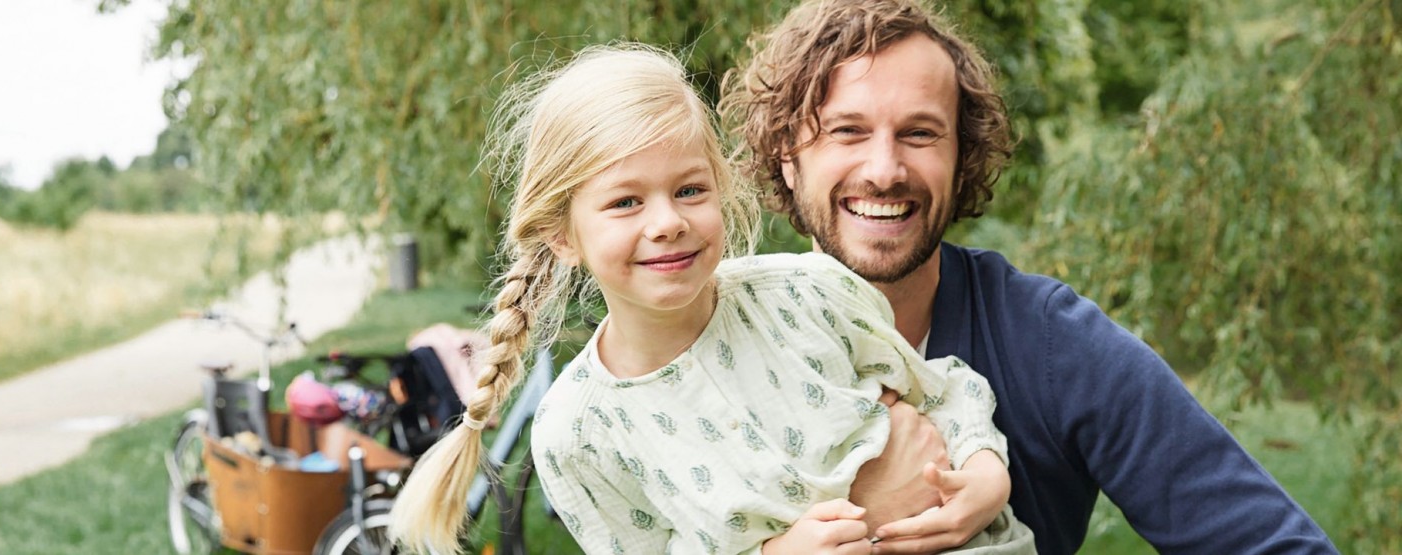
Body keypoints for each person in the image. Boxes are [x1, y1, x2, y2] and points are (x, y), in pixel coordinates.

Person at [719, 0, 1338, 553]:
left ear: (962, 161)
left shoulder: (1050, 346)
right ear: (787, 156)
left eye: (920, 133)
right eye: (847, 131)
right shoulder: (700, 338)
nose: (885, 169)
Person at [388, 43, 1035, 554]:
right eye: (625, 201)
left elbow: (942, 392)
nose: (667, 220)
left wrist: (984, 473)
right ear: (563, 233)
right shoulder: (578, 432)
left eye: (691, 190)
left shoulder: (810, 293)